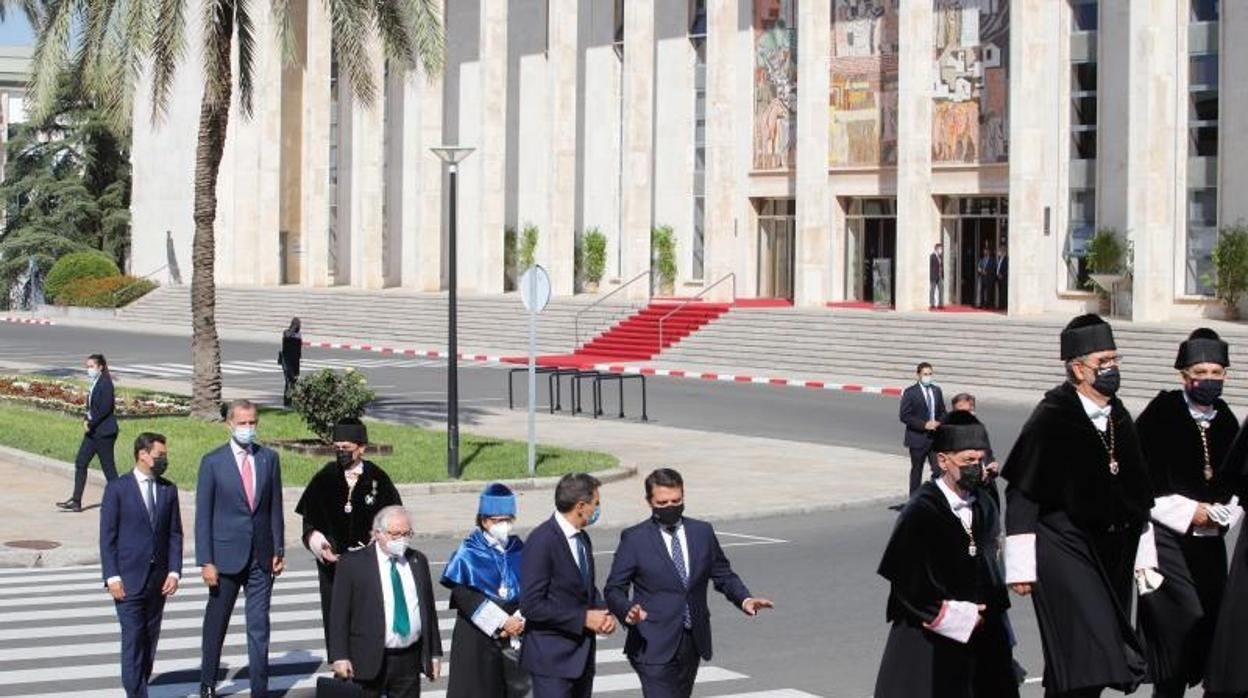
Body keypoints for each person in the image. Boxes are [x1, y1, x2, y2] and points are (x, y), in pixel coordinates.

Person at [1002, 314, 1158, 698]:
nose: (1111, 370)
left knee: (1081, 660)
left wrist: (1144, 557)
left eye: (1115, 360)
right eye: (1103, 363)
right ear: (1077, 368)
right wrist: (1021, 567)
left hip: (1112, 553)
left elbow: (1136, 492)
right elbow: (1022, 493)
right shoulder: (1051, 417)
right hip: (1063, 546)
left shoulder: (1119, 416)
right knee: (1092, 650)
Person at [874, 412, 1019, 698]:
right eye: (967, 461)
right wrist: (953, 614)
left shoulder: (985, 502)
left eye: (979, 460)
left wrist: (1000, 621)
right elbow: (907, 580)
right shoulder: (921, 510)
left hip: (985, 637)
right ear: (943, 461)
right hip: (930, 637)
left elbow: (991, 564)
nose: (976, 468)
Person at [1136, 329, 1242, 697]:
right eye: (1202, 372)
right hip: (1168, 537)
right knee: (1180, 620)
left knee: (1211, 624)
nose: (1209, 380)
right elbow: (1142, 479)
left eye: (1217, 372)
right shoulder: (1162, 412)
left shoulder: (1227, 419)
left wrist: (1222, 513)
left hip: (1210, 541)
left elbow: (1239, 481)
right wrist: (1188, 511)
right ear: (1184, 376)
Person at [605, 468, 774, 698]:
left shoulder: (701, 532)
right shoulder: (635, 539)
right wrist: (627, 611)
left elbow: (723, 574)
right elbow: (614, 588)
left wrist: (745, 599)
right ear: (649, 502)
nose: (670, 507)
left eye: (676, 500)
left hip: (691, 640)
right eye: (662, 503)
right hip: (651, 641)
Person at [196, 399, 285, 698]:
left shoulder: (268, 459)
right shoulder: (212, 462)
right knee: (217, 622)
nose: (249, 428)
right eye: (243, 423)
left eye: (253, 423)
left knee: (259, 626)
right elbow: (203, 516)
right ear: (229, 424)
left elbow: (275, 508)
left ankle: (260, 688)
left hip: (261, 556)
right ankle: (208, 681)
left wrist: (279, 549)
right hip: (225, 558)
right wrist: (206, 560)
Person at [295, 418, 402, 654]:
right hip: (334, 569)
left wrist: (381, 540)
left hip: (370, 567)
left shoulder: (378, 479)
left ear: (361, 448)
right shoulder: (324, 477)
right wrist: (320, 545)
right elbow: (309, 524)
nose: (341, 453)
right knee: (337, 623)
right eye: (337, 448)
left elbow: (395, 520)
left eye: (347, 448)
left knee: (368, 622)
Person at [100, 432, 183, 697]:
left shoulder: (168, 489)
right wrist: (112, 576)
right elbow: (107, 537)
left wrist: (174, 570)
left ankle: (140, 685)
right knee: (133, 640)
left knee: (149, 641)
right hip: (128, 580)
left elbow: (174, 534)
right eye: (160, 455)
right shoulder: (118, 488)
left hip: (157, 581)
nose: (164, 460)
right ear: (143, 454)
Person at [520, 473, 617, 698]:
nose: (597, 509)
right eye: (596, 504)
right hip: (552, 661)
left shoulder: (582, 538)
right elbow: (532, 605)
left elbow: (585, 587)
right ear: (581, 506)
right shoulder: (542, 540)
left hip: (581, 658)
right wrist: (583, 618)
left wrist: (603, 611)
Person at [330, 506, 443, 697]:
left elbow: (428, 611)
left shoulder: (417, 561)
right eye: (395, 534)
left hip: (409, 658)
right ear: (377, 534)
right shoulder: (353, 564)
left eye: (407, 534)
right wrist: (340, 656)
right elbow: (339, 614)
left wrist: (434, 654)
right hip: (367, 657)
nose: (402, 540)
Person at [441, 484, 529, 698]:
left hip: (515, 637)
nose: (503, 525)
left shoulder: (519, 548)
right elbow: (464, 595)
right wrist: (501, 621)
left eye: (508, 519)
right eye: (497, 521)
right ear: (484, 520)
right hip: (478, 639)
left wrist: (519, 618)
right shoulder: (469, 551)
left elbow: (533, 586)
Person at [58, 353, 119, 512]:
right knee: (81, 462)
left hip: (104, 433)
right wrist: (86, 418)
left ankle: (122, 501)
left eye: (92, 366)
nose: (89, 370)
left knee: (109, 469)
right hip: (93, 433)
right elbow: (91, 407)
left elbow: (105, 409)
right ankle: (76, 501)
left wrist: (91, 423)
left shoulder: (105, 383)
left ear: (101, 367)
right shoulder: (95, 382)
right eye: (88, 367)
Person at [899, 362, 947, 497]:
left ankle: (936, 497)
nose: (928, 377)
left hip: (935, 438)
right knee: (917, 471)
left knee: (938, 470)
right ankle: (914, 502)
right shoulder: (910, 392)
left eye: (930, 374)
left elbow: (943, 412)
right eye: (925, 374)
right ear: (918, 375)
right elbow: (904, 416)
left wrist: (939, 422)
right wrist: (924, 425)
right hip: (917, 439)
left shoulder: (936, 391)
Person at [278, 317, 302, 407]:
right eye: (298, 324)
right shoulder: (286, 332)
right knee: (289, 380)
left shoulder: (298, 334)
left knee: (294, 380)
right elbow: (287, 336)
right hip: (287, 360)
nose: (299, 326)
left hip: (295, 360)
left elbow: (298, 348)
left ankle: (292, 399)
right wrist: (293, 328)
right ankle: (287, 401)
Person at [977, 244, 996, 309]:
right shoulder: (981, 259)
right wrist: (981, 271)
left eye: (986, 251)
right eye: (984, 251)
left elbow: (993, 268)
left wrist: (987, 272)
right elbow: (979, 267)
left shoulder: (992, 260)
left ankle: (987, 305)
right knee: (982, 291)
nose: (985, 252)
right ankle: (981, 304)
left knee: (988, 292)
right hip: (982, 278)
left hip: (989, 278)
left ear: (989, 252)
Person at [930, 242, 945, 309]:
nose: (941, 250)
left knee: (941, 289)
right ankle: (932, 304)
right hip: (934, 276)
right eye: (940, 249)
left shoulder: (940, 257)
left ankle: (940, 304)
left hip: (940, 276)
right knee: (932, 290)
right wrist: (931, 275)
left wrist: (942, 275)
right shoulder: (932, 256)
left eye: (941, 249)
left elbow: (941, 266)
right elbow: (930, 267)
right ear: (936, 249)